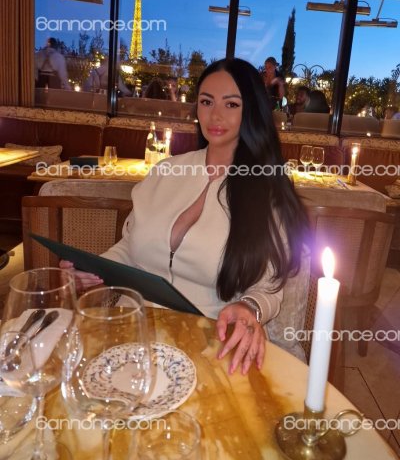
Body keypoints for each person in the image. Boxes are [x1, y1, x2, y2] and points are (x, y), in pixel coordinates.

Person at [62, 58, 310, 373]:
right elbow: (129, 248)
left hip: (208, 343)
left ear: (252, 112)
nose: (215, 115)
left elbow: (268, 287)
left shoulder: (267, 191)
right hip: (130, 329)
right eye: (206, 102)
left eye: (231, 104)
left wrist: (249, 308)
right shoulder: (165, 171)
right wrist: (93, 270)